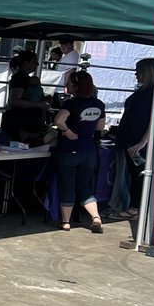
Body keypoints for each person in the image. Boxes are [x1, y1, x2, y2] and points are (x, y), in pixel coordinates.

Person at [54, 70, 106, 233]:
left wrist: (67, 132)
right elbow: (100, 127)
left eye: (69, 83)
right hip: (89, 149)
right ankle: (96, 218)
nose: (66, 85)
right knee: (85, 186)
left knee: (68, 186)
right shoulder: (99, 104)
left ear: (76, 86)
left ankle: (66, 222)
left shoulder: (71, 104)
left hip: (69, 150)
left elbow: (58, 120)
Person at [113, 58, 154, 216]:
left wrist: (142, 142)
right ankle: (132, 205)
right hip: (130, 138)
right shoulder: (143, 91)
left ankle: (136, 207)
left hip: (139, 141)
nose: (136, 74)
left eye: (139, 71)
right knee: (131, 173)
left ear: (147, 73)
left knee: (139, 174)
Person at [0, 51, 49, 143]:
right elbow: (15, 101)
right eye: (34, 62)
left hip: (25, 123)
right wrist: (39, 105)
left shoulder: (24, 78)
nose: (37, 64)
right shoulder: (20, 78)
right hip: (20, 123)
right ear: (25, 62)